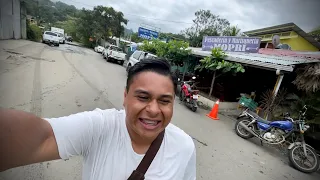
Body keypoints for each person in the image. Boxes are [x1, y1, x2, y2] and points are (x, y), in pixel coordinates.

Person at [0, 59, 196, 180]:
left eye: (164, 101)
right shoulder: (100, 127)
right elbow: (42, 138)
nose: (154, 110)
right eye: (143, 97)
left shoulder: (184, 147)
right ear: (125, 97)